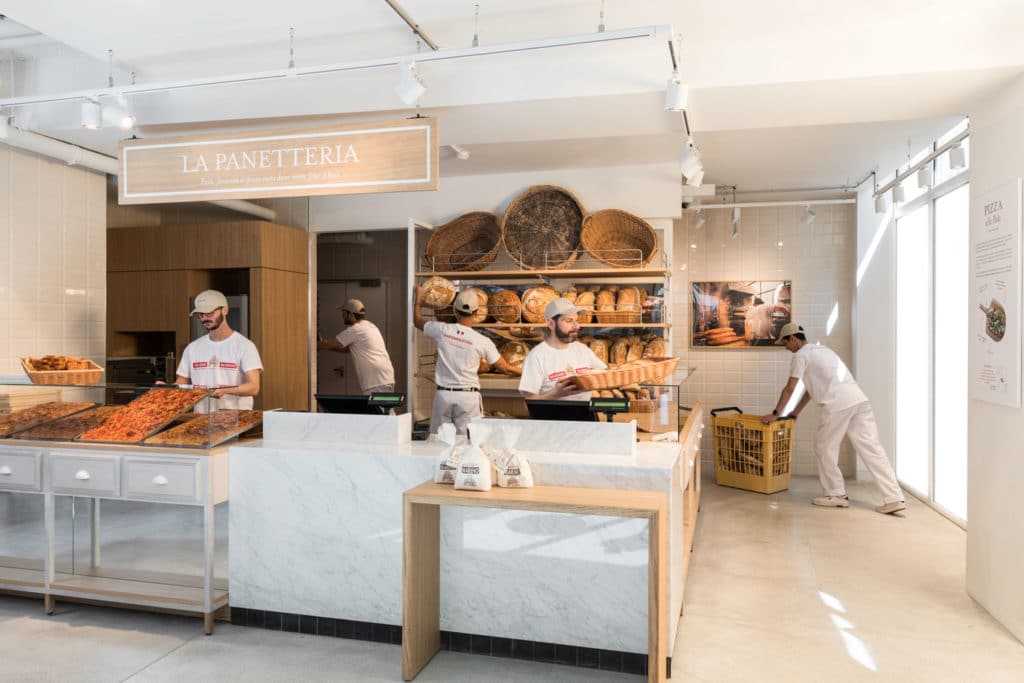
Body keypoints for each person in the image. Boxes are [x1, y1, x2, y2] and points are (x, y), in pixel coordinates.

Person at [761, 322, 906, 514]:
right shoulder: (823, 351)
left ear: (794, 339)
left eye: (785, 343)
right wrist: (796, 412)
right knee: (872, 448)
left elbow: (790, 388)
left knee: (824, 446)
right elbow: (811, 390)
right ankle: (894, 497)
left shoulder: (801, 355)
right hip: (858, 400)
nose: (785, 347)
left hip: (838, 404)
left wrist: (775, 413)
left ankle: (836, 494)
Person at [413, 285, 521, 434]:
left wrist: (418, 299)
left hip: (443, 396)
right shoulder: (482, 341)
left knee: (439, 442)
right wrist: (527, 372)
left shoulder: (443, 330)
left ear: (455, 311)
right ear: (476, 313)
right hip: (468, 398)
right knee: (467, 442)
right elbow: (505, 368)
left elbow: (418, 321)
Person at [173, 289, 263, 413]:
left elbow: (254, 387)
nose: (204, 318)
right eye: (201, 314)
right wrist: (165, 388)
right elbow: (181, 383)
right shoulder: (192, 348)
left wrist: (225, 390)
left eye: (209, 313)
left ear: (225, 310)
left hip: (236, 421)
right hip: (199, 420)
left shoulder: (244, 346)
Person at [519, 297, 608, 401]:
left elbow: (604, 373)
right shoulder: (536, 357)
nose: (577, 326)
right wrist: (555, 394)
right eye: (569, 321)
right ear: (551, 324)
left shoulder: (582, 350)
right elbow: (529, 399)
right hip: (552, 416)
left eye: (576, 320)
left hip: (585, 416)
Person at [317, 298, 395, 395]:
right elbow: (346, 349)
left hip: (376, 381)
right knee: (384, 409)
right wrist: (324, 345)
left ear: (350, 314)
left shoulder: (356, 330)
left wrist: (318, 344)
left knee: (378, 409)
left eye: (344, 313)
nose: (342, 316)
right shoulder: (369, 325)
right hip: (384, 378)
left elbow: (331, 343)